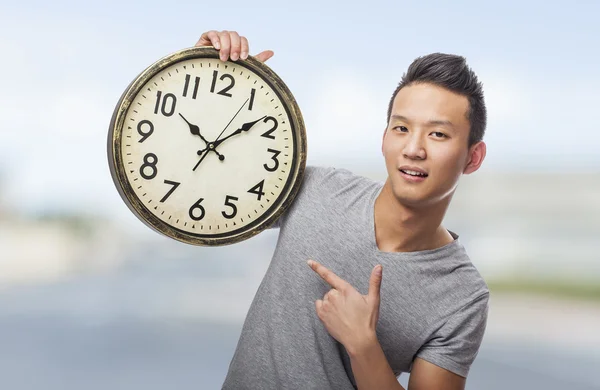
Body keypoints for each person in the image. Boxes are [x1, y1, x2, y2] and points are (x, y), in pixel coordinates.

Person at [195, 30, 490, 390]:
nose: (413, 149)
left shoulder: (462, 296)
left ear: (473, 157)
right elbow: (208, 179)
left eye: (438, 135)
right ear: (384, 138)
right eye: (401, 128)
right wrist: (205, 80)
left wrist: (363, 346)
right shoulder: (317, 189)